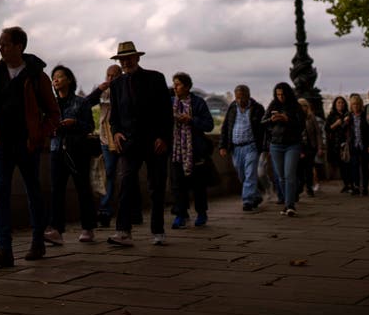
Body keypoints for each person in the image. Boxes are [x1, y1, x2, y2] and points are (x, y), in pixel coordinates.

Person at [0, 27, 60, 267]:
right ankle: (5, 250)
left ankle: (37, 242)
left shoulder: (36, 76)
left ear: (19, 46)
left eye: (5, 44)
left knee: (33, 192)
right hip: (0, 145)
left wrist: (36, 136)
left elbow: (53, 114)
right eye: (0, 44)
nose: (0, 48)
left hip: (27, 146)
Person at [106, 41, 172, 246]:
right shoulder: (116, 85)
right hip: (129, 143)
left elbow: (166, 112)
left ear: (137, 58)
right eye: (122, 59)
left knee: (156, 187)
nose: (125, 62)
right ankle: (123, 231)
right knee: (125, 184)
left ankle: (158, 230)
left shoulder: (156, 78)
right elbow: (114, 116)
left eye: (128, 58)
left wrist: (164, 137)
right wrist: (116, 133)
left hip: (154, 141)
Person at [43, 65, 98, 244]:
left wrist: (74, 123)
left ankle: (88, 228)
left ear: (69, 80)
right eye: (54, 77)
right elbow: (45, 126)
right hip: (56, 150)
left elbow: (89, 126)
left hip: (77, 151)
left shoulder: (81, 102)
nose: (56, 80)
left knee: (82, 188)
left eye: (59, 76)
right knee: (56, 191)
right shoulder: (50, 104)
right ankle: (57, 230)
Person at [169, 72, 214, 229]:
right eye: (174, 84)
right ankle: (181, 215)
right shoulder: (170, 102)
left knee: (198, 185)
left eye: (178, 84)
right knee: (178, 185)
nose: (175, 87)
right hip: (176, 150)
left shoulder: (198, 102)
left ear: (187, 87)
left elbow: (209, 125)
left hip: (195, 150)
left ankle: (202, 213)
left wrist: (191, 120)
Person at [219, 84, 265, 211]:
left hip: (251, 146)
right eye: (237, 98)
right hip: (236, 148)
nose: (240, 101)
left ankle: (247, 201)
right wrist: (222, 146)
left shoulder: (257, 108)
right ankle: (256, 195)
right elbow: (225, 127)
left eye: (242, 98)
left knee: (250, 173)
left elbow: (264, 129)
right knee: (242, 175)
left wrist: (264, 147)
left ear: (248, 96)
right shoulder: (232, 108)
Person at [266, 83, 304, 216]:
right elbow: (262, 122)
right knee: (281, 177)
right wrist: (271, 119)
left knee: (289, 175)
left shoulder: (295, 106)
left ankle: (290, 205)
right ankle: (287, 201)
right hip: (276, 144)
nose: (280, 97)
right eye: (278, 94)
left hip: (292, 144)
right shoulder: (273, 105)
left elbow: (302, 125)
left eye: (282, 94)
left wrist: (288, 119)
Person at [92, 64, 122, 228]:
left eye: (114, 76)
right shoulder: (103, 92)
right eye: (108, 76)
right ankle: (105, 211)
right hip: (105, 138)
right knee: (109, 173)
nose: (110, 79)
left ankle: (132, 210)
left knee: (126, 175)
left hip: (123, 137)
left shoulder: (125, 90)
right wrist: (98, 90)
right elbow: (86, 103)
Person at [346, 93, 369, 196]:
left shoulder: (365, 116)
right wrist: (345, 122)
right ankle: (356, 186)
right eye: (353, 105)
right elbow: (344, 129)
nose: (355, 106)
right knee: (354, 166)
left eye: (357, 104)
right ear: (351, 106)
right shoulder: (349, 117)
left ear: (360, 105)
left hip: (364, 144)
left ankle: (365, 187)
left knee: (365, 167)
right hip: (354, 145)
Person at [324, 96, 350, 193]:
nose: (340, 104)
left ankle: (350, 183)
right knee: (342, 165)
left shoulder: (348, 114)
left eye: (342, 103)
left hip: (347, 142)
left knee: (348, 164)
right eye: (338, 103)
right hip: (336, 144)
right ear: (335, 105)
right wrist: (336, 124)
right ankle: (346, 184)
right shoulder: (331, 116)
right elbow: (327, 129)